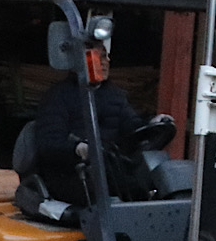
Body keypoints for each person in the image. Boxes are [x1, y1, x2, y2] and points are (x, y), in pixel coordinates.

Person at [31, 43, 171, 207]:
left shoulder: (115, 95)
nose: (106, 61)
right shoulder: (58, 97)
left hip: (110, 168)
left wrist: (152, 124)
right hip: (73, 173)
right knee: (109, 187)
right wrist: (78, 148)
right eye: (100, 56)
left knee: (153, 182)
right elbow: (48, 143)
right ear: (80, 60)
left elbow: (133, 129)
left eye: (106, 56)